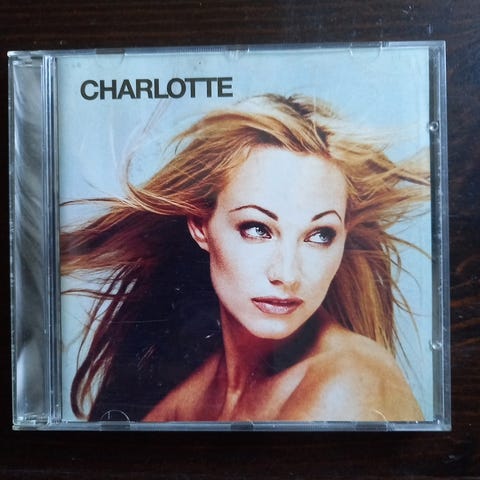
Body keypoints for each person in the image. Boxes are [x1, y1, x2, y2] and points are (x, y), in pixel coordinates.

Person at [61, 94, 429, 422]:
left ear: (343, 236)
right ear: (200, 225)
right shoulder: (184, 401)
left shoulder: (350, 382)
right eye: (257, 229)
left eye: (319, 235)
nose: (287, 274)